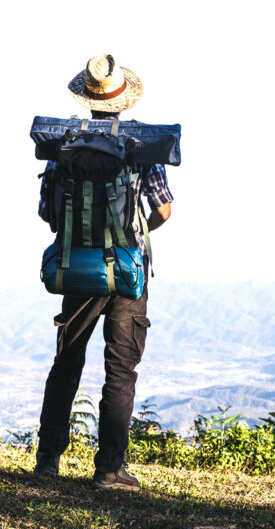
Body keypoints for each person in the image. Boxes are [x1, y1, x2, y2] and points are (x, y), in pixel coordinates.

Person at [34, 54, 173, 491]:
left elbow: (47, 212)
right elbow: (164, 209)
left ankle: (48, 459)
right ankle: (110, 469)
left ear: (89, 100)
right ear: (123, 102)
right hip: (128, 274)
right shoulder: (140, 148)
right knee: (121, 368)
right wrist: (132, 234)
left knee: (67, 361)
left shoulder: (64, 147)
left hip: (78, 269)